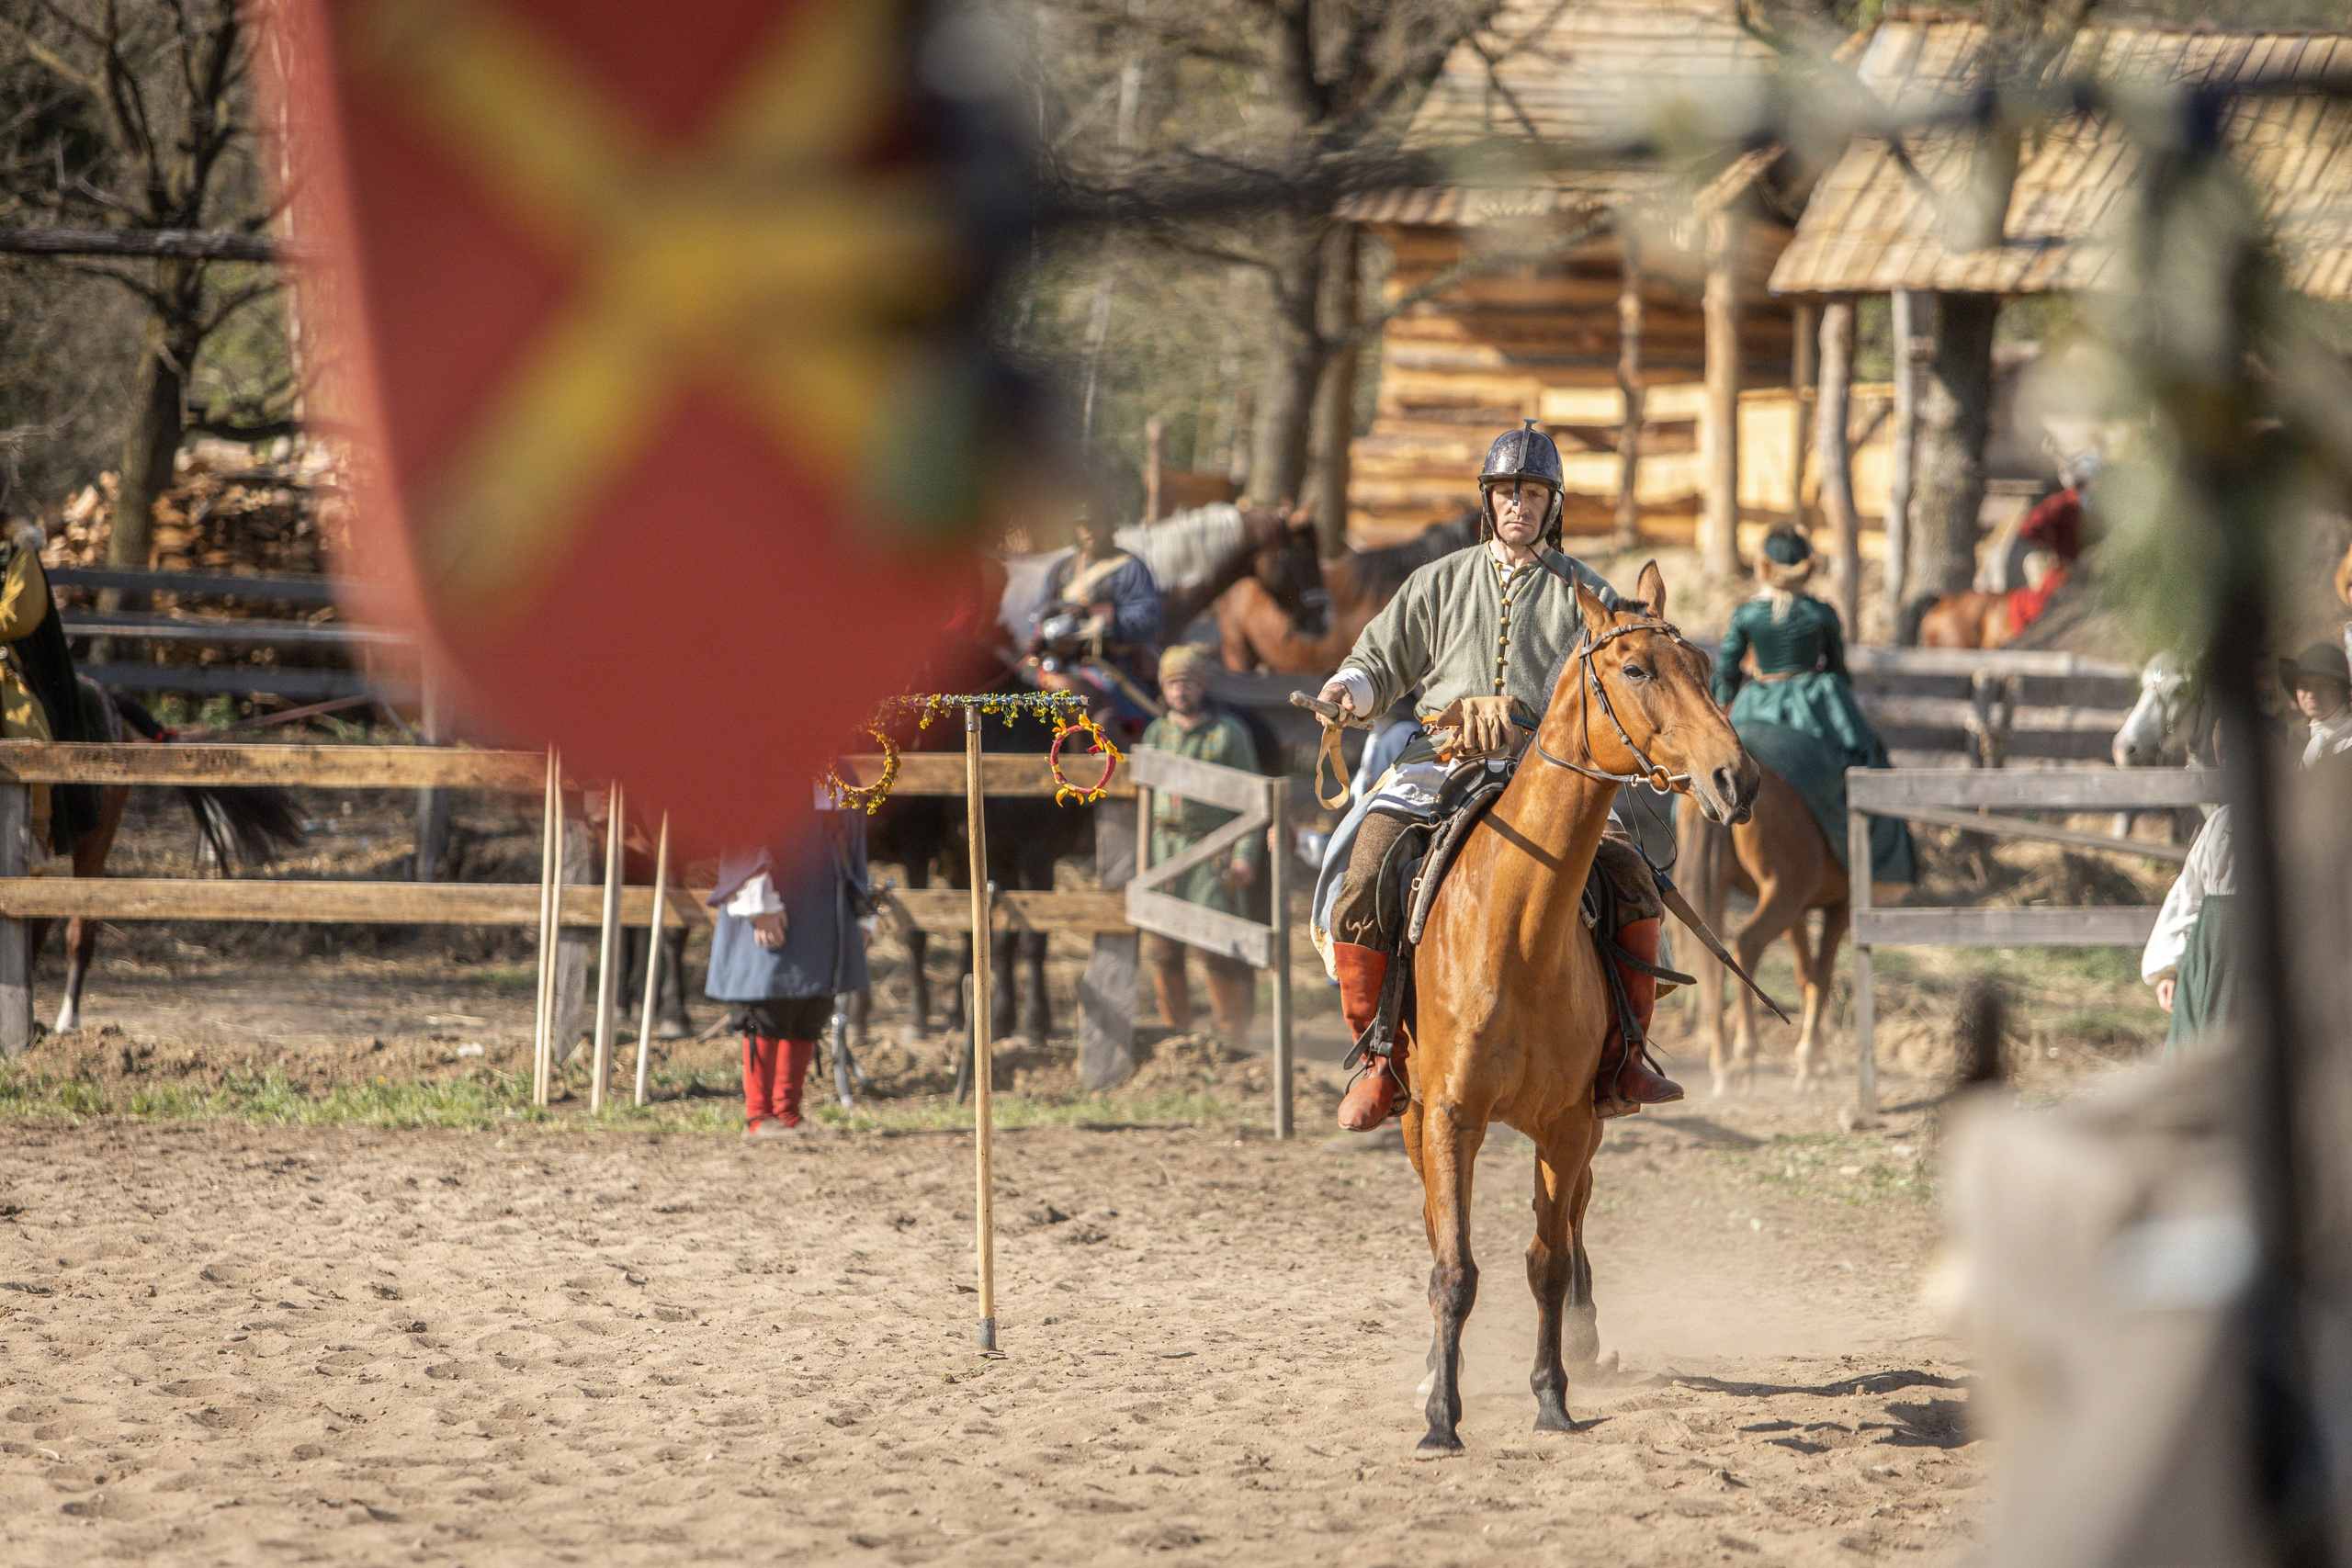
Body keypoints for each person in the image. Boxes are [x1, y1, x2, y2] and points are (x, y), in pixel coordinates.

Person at [1310, 419, 1677, 1130]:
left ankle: (1626, 1054)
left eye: (1533, 491)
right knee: (1367, 869)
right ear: (1488, 500)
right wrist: (1346, 691)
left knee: (1634, 878)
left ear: (1553, 504)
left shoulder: (1587, 592)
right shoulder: (1437, 581)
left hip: (1548, 773)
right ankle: (1380, 1059)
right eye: (1506, 489)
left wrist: (1524, 721)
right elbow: (1380, 662)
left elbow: (1619, 687)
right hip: (1438, 764)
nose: (1519, 503)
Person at [1713, 525, 1916, 889]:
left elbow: (1726, 670)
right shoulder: (1822, 613)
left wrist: (1726, 700)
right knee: (1867, 759)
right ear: (1808, 566)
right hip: (1818, 705)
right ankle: (1875, 869)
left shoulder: (1748, 615)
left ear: (1764, 566)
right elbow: (1838, 668)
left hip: (1758, 702)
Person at [705, 807, 871, 1136]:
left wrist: (862, 911)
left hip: (825, 905)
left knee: (812, 1006)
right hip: (776, 904)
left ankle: (787, 1111)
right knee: (768, 1004)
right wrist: (759, 905)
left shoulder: (842, 773)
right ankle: (758, 1115)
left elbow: (854, 846)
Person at [1136, 644, 1261, 1043]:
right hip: (1162, 847)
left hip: (1211, 849)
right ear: (1163, 689)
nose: (1181, 691)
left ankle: (1232, 1038)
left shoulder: (1228, 733)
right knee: (1163, 946)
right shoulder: (1156, 733)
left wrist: (1244, 856)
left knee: (1215, 944)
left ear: (1202, 685)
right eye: (1173, 683)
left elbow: (1253, 803)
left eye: (1188, 682)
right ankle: (1176, 1036)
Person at [0, 518, 102, 856]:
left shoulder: (17, 549)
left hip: (3, 665)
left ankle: (33, 840)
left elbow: (20, 614)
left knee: (26, 728)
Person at [1027, 505, 1163, 733]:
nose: (1089, 531)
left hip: (1109, 661)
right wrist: (1049, 623)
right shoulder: (1062, 569)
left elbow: (1148, 621)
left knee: (1124, 720)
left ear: (1111, 525)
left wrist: (1094, 612)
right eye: (1083, 526)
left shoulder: (1130, 568)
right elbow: (1040, 611)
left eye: (1096, 524)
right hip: (1060, 661)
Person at [2279, 642, 2352, 768]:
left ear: (2342, 691)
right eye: (2304, 686)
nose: (2311, 694)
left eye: (2322, 685)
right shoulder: (2296, 749)